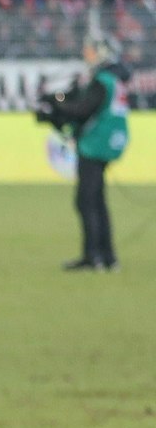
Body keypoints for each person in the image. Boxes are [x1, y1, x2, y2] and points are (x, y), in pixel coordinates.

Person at [37, 37, 132, 271]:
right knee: (97, 200)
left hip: (95, 144)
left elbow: (81, 109)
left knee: (87, 201)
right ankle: (107, 257)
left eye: (90, 51)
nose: (86, 54)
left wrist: (55, 104)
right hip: (108, 142)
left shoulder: (101, 80)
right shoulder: (113, 80)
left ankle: (93, 257)